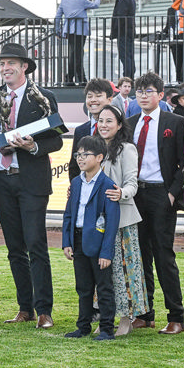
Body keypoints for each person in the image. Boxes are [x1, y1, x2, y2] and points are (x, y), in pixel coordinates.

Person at [0, 43, 63, 329]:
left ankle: (44, 311)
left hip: (31, 181)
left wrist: (33, 145)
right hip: (1, 180)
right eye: (1, 64)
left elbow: (57, 139)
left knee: (36, 244)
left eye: (11, 63)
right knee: (14, 247)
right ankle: (24, 308)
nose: (5, 68)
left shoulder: (43, 98)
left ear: (25, 66)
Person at [127, 72, 184, 334]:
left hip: (162, 194)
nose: (143, 95)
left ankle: (176, 316)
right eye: (140, 91)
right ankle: (144, 312)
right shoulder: (129, 123)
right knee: (140, 256)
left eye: (149, 91)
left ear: (161, 95)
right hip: (135, 195)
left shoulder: (175, 121)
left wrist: (172, 194)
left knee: (164, 256)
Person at [95, 105, 147, 336]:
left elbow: (132, 183)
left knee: (126, 269)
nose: (104, 125)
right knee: (102, 271)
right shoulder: (93, 147)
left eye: (109, 121)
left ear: (119, 124)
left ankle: (127, 318)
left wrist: (121, 193)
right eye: (100, 120)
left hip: (123, 219)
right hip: (97, 221)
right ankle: (105, 317)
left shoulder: (127, 149)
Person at [62, 135, 120, 341]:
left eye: (86, 155)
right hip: (78, 241)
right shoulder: (76, 182)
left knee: (104, 288)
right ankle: (83, 326)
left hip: (98, 242)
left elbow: (111, 223)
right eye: (78, 154)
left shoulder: (108, 185)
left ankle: (106, 329)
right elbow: (69, 213)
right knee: (83, 287)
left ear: (99, 158)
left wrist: (106, 252)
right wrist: (66, 242)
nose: (80, 158)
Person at [55, 0, 102, 84]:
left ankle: (71, 77)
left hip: (69, 30)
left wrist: (57, 31)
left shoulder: (64, 0)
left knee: (73, 53)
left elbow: (57, 16)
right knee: (78, 53)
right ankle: (79, 78)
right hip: (80, 29)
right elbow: (95, 5)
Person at [69, 78, 114, 181]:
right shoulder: (80, 130)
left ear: (110, 99)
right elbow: (74, 165)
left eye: (98, 96)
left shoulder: (119, 128)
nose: (93, 100)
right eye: (89, 96)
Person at [111, 0, 136, 79]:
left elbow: (120, 17)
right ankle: (129, 77)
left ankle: (127, 78)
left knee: (125, 56)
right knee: (129, 55)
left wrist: (115, 31)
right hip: (128, 31)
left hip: (123, 32)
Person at [162, 0, 183, 83]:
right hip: (174, 38)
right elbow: (168, 25)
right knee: (176, 61)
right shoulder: (170, 10)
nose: (173, 0)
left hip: (183, 37)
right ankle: (179, 79)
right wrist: (162, 33)